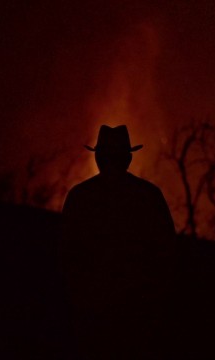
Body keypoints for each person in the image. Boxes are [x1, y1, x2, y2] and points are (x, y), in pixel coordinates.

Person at [60, 125, 176, 359]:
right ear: (129, 157)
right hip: (137, 314)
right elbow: (168, 254)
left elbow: (65, 255)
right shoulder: (149, 196)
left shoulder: (80, 197)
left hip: (92, 312)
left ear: (98, 157)